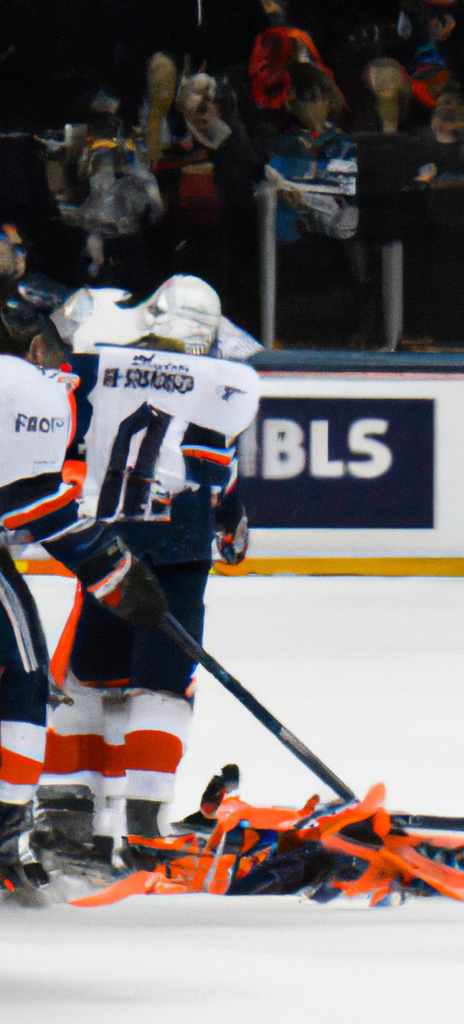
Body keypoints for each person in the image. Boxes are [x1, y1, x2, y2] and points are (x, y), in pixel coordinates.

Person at [34, 275, 259, 863]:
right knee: (163, 688)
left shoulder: (102, 366)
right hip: (177, 547)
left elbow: (61, 419)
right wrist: (232, 516)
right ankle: (143, 825)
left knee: (91, 677)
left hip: (105, 543)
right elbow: (216, 467)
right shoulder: (217, 382)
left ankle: (71, 813)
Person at [0, 308, 167, 889]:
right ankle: (2, 831)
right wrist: (112, 571)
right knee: (19, 677)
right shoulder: (21, 388)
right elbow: (34, 505)